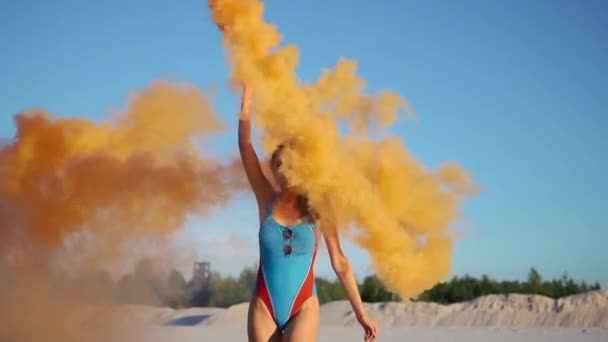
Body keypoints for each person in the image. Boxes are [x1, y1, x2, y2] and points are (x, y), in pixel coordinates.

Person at [238, 84, 379, 342]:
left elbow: (340, 262)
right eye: (277, 164)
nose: (282, 170)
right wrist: (247, 97)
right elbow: (246, 145)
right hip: (263, 305)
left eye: (290, 163)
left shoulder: (320, 205)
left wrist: (360, 314)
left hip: (303, 307)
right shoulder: (265, 198)